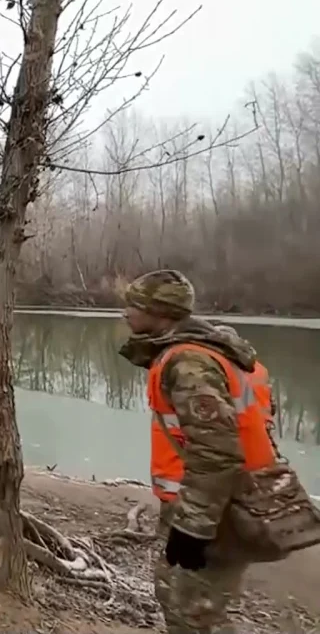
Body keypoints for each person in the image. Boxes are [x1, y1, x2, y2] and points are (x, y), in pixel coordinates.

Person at [118, 270, 279, 634]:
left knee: (194, 614)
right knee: (175, 597)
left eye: (134, 305)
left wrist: (195, 528)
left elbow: (217, 452)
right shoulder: (191, 354)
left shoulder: (190, 364)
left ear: (161, 312)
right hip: (202, 504)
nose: (125, 313)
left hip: (218, 512)